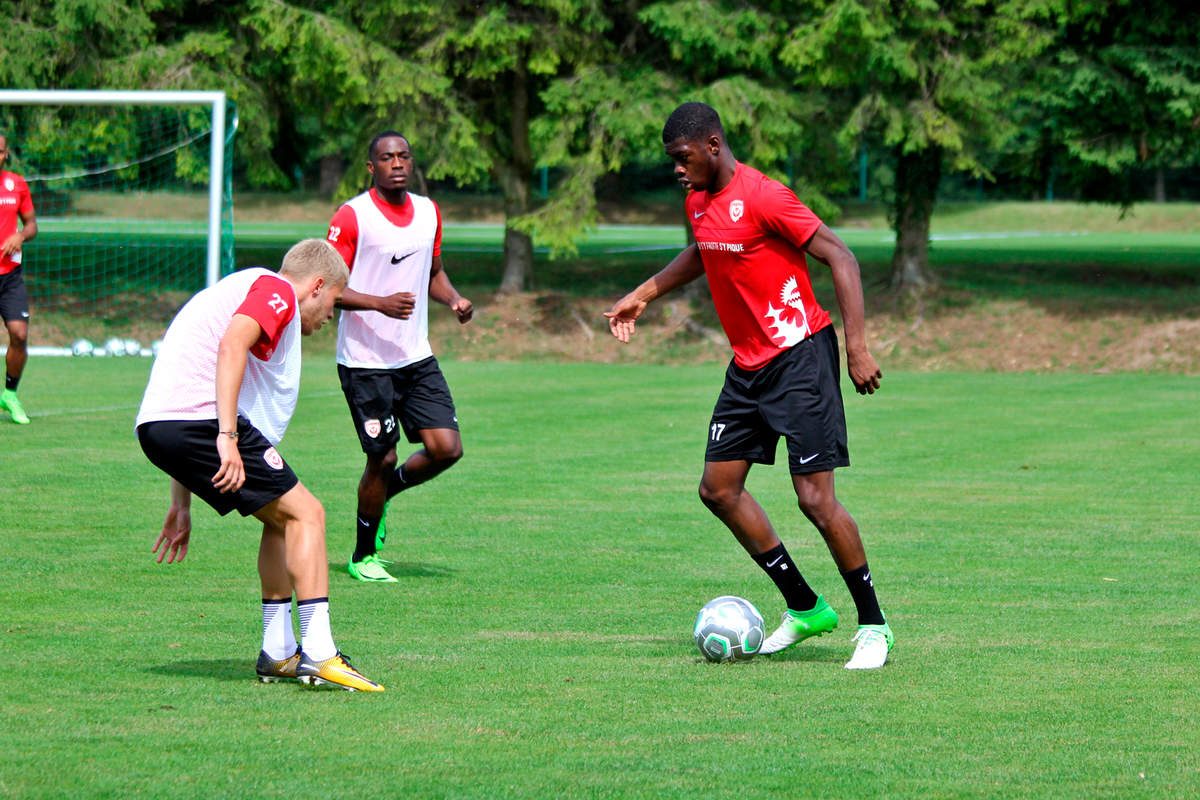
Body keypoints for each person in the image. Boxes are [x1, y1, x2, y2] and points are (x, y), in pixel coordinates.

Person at [605, 103, 893, 669]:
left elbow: (842, 256)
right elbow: (705, 250)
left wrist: (857, 348)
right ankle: (806, 607)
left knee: (815, 499)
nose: (678, 171)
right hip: (748, 366)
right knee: (718, 489)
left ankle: (874, 626)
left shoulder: (766, 196)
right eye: (672, 162)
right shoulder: (699, 201)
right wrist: (645, 292)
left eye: (683, 159)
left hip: (801, 357)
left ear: (713, 145)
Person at [135, 239, 383, 691]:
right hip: (198, 422)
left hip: (161, 426)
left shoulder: (251, 287)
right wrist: (226, 437)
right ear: (316, 286)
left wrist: (181, 502)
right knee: (309, 514)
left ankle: (277, 652)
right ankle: (321, 652)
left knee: (281, 520)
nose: (330, 317)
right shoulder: (276, 291)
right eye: (332, 303)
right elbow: (232, 346)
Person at [326, 130, 473, 583]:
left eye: (404, 156)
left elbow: (433, 272)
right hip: (365, 361)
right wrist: (378, 303)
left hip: (415, 356)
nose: (397, 163)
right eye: (387, 157)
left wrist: (453, 299)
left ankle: (384, 493)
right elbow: (326, 287)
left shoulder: (429, 212)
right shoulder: (353, 216)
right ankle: (362, 555)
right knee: (383, 457)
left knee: (447, 449)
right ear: (371, 167)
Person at [0, 134, 38, 425]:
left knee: (20, 335)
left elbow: (32, 225)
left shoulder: (17, 184)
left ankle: (9, 394)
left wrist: (19, 235)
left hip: (10, 275)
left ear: (6, 153)